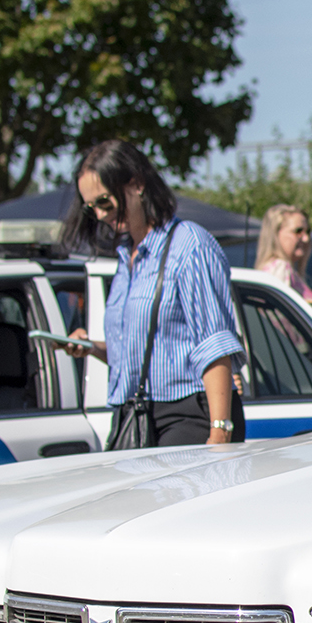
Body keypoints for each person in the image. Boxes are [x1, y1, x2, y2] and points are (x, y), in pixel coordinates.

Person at [59, 139, 246, 447]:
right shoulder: (126, 257)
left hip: (188, 415)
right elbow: (149, 351)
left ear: (137, 184)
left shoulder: (188, 245)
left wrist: (220, 432)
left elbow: (214, 345)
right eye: (91, 208)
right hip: (134, 415)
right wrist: (91, 347)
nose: (100, 215)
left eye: (105, 202)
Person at [255, 204, 312, 318]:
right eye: (298, 231)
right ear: (276, 233)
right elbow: (278, 319)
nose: (306, 238)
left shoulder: (276, 269)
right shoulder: (280, 268)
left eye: (308, 232)